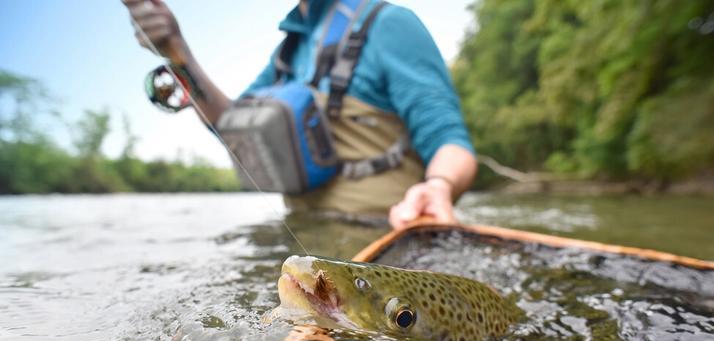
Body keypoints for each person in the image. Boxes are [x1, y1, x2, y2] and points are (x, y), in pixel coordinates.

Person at [123, 0, 477, 228]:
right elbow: (231, 126)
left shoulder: (392, 24)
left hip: (383, 239)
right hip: (304, 238)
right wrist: (177, 52)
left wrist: (439, 185)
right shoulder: (287, 53)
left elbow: (451, 141)